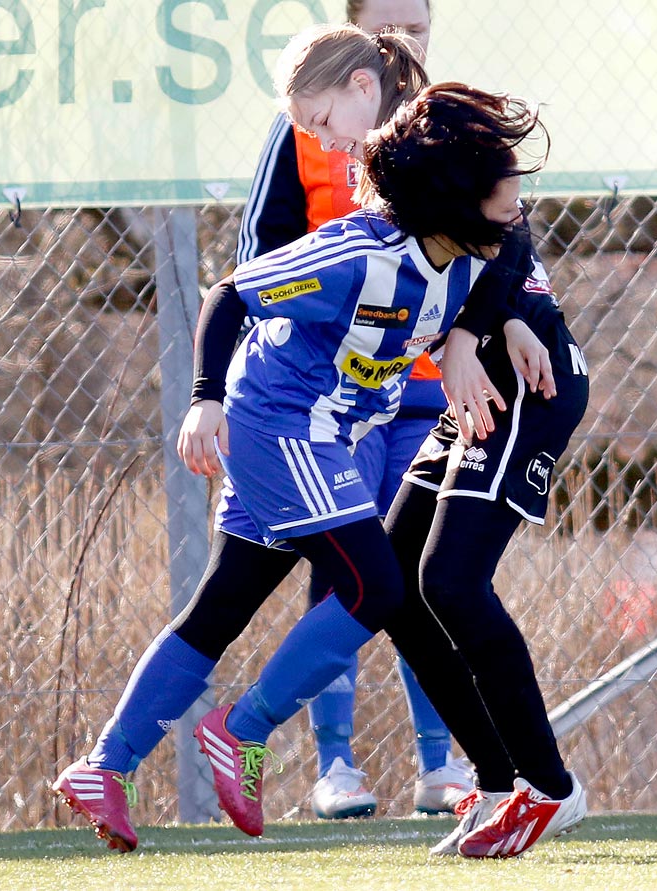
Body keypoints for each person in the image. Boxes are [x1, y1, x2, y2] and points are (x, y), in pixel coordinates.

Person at [50, 30, 544, 852]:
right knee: (376, 586)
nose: (514, 208)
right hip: (280, 423)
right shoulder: (358, 251)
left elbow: (512, 253)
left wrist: (488, 330)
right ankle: (242, 732)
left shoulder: (468, 250)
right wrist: (204, 400)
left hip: (319, 429)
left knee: (225, 602)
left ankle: (105, 764)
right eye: (499, 196)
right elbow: (230, 292)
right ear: (456, 199)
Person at [271, 24, 592, 859]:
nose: (318, 139)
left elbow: (508, 235)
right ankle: (495, 779)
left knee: (450, 579)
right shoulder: (387, 163)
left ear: (359, 88)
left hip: (524, 385)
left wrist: (483, 330)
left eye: (320, 119)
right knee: (395, 587)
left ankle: (549, 787)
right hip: (479, 377)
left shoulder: (426, 147)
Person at [238, 0, 468, 820]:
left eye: (421, 19)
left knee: (425, 571)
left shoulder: (449, 121)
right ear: (355, 32)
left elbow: (493, 241)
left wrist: (477, 339)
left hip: (429, 391)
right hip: (338, 399)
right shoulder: (311, 122)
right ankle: (335, 765)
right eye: (391, 19)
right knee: (346, 565)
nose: (408, 33)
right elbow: (256, 258)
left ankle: (441, 765)